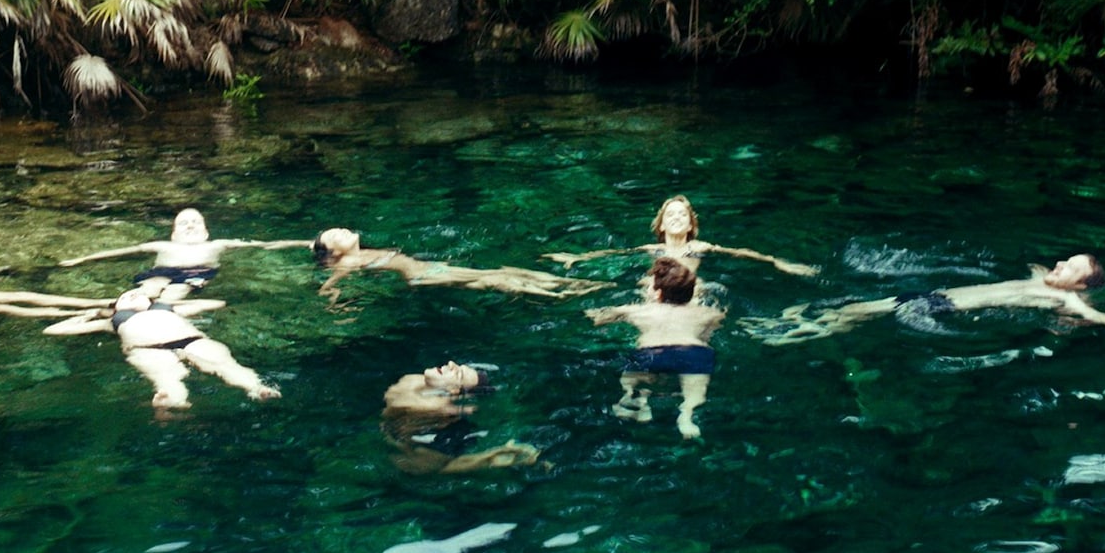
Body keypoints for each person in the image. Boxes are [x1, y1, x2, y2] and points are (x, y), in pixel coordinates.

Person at [756, 253, 1105, 345]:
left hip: (944, 308)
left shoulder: (1070, 303)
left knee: (855, 314)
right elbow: (1037, 265)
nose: (1059, 264)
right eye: (1064, 260)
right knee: (851, 312)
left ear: (1081, 286)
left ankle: (790, 334)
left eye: (1069, 268)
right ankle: (796, 328)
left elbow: (1102, 319)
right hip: (937, 297)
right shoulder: (1040, 277)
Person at [43, 287, 280, 408]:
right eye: (126, 297)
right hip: (147, 349)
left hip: (192, 340)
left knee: (226, 365)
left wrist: (169, 302)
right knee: (167, 376)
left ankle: (257, 388)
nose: (133, 295)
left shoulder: (169, 309)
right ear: (116, 309)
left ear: (151, 301)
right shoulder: (112, 322)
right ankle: (173, 401)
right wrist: (88, 314)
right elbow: (53, 330)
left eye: (138, 294)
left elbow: (216, 303)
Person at [585, 257, 726, 439]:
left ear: (658, 293)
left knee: (629, 380)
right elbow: (708, 335)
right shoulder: (709, 313)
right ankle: (687, 416)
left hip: (652, 352)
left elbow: (599, 319)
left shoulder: (639, 310)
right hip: (694, 352)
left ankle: (635, 401)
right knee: (695, 391)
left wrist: (592, 314)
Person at [311, 228, 608, 306]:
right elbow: (330, 283)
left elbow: (303, 244)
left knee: (501, 273)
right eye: (335, 235)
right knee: (494, 278)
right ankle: (563, 292)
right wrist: (335, 300)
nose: (341, 229)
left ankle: (566, 286)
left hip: (427, 269)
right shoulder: (348, 261)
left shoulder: (355, 252)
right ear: (335, 253)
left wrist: (262, 244)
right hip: (421, 275)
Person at [59, 208, 309, 301]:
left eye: (195, 222)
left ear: (206, 232)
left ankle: (161, 313)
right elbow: (123, 251)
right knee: (146, 291)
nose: (190, 226)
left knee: (175, 294)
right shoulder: (162, 246)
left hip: (196, 274)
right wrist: (82, 259)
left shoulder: (218, 244)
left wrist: (303, 242)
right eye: (183, 224)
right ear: (173, 235)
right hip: (161, 272)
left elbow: (262, 244)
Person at [545, 195, 818, 277]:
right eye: (670, 215)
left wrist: (778, 262)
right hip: (657, 289)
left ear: (690, 226)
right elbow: (614, 254)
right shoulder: (652, 250)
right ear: (661, 226)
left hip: (691, 290)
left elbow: (742, 253)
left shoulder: (700, 246)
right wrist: (577, 258)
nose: (676, 218)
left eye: (682, 215)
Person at [381, 361, 539, 474]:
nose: (450, 364)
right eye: (457, 366)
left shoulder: (436, 405)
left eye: (458, 373)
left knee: (436, 468)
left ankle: (496, 458)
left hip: (428, 445)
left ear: (454, 391)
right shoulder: (413, 379)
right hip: (395, 431)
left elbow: (429, 466)